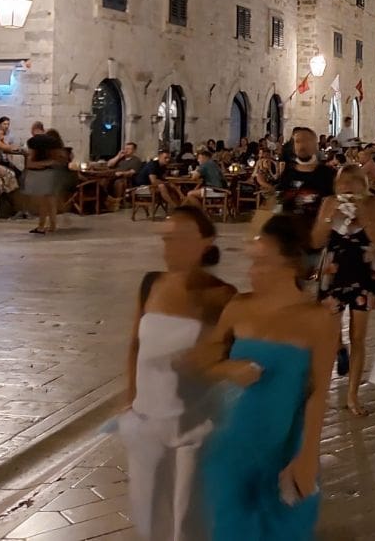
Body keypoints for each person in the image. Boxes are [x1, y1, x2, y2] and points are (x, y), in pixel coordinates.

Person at [195, 215, 334, 540]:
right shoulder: (239, 307)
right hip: (232, 445)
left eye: (262, 263)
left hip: (285, 445)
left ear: (290, 265)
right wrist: (228, 369)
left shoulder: (317, 320)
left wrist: (308, 455)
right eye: (252, 262)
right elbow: (205, 360)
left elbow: (319, 393)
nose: (251, 272)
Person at [118, 206, 235, 541]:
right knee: (148, 511)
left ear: (206, 242)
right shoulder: (151, 283)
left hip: (192, 422)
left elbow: (225, 356)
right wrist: (131, 401)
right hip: (146, 417)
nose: (171, 249)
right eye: (167, 240)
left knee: (186, 516)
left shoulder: (221, 296)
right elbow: (134, 345)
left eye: (181, 240)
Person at [311, 164, 375, 414]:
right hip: (334, 270)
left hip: (363, 271)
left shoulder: (373, 203)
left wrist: (363, 216)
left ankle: (353, 395)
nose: (345, 187)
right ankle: (337, 349)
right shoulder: (329, 202)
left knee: (359, 336)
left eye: (351, 182)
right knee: (329, 333)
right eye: (341, 182)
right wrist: (328, 216)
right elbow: (316, 240)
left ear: (362, 183)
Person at [275, 127, 337, 237]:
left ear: (315, 145)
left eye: (307, 141)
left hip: (316, 237)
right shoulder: (288, 173)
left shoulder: (327, 174)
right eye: (298, 142)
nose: (302, 145)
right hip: (289, 238)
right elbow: (278, 202)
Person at [24, 128, 69, 234]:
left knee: (44, 202)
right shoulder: (56, 149)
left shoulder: (36, 145)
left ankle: (42, 226)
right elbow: (62, 161)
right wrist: (50, 163)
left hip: (42, 175)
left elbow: (30, 164)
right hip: (52, 174)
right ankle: (51, 226)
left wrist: (44, 164)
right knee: (50, 201)